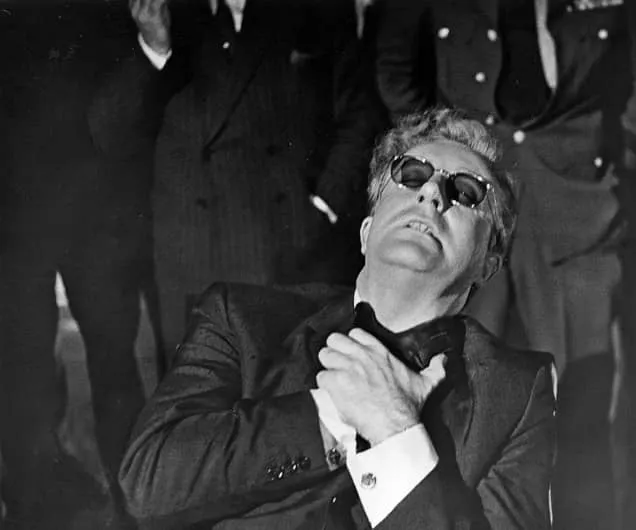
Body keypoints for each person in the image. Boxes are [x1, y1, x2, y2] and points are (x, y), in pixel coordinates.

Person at [117, 109, 556, 529]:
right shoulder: (243, 318)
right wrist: (336, 414)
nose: (431, 194)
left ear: (488, 265)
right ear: (366, 231)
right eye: (411, 176)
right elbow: (148, 480)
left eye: (465, 191)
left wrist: (394, 429)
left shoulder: (515, 390)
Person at [373, 0, 636, 527]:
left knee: (579, 403)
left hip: (576, 211)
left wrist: (603, 168)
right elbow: (397, 72)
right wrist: (449, 158)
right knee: (459, 401)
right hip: (470, 210)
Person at [89, 0, 384, 364]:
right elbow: (110, 134)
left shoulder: (315, 10)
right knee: (198, 388)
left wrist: (324, 206)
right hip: (191, 256)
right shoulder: (156, 14)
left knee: (287, 387)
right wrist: (154, 48)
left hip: (293, 248)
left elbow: (360, 116)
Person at [0, 1, 151, 528]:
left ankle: (133, 499)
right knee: (24, 366)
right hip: (16, 218)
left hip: (96, 215)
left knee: (114, 363)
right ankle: (33, 500)